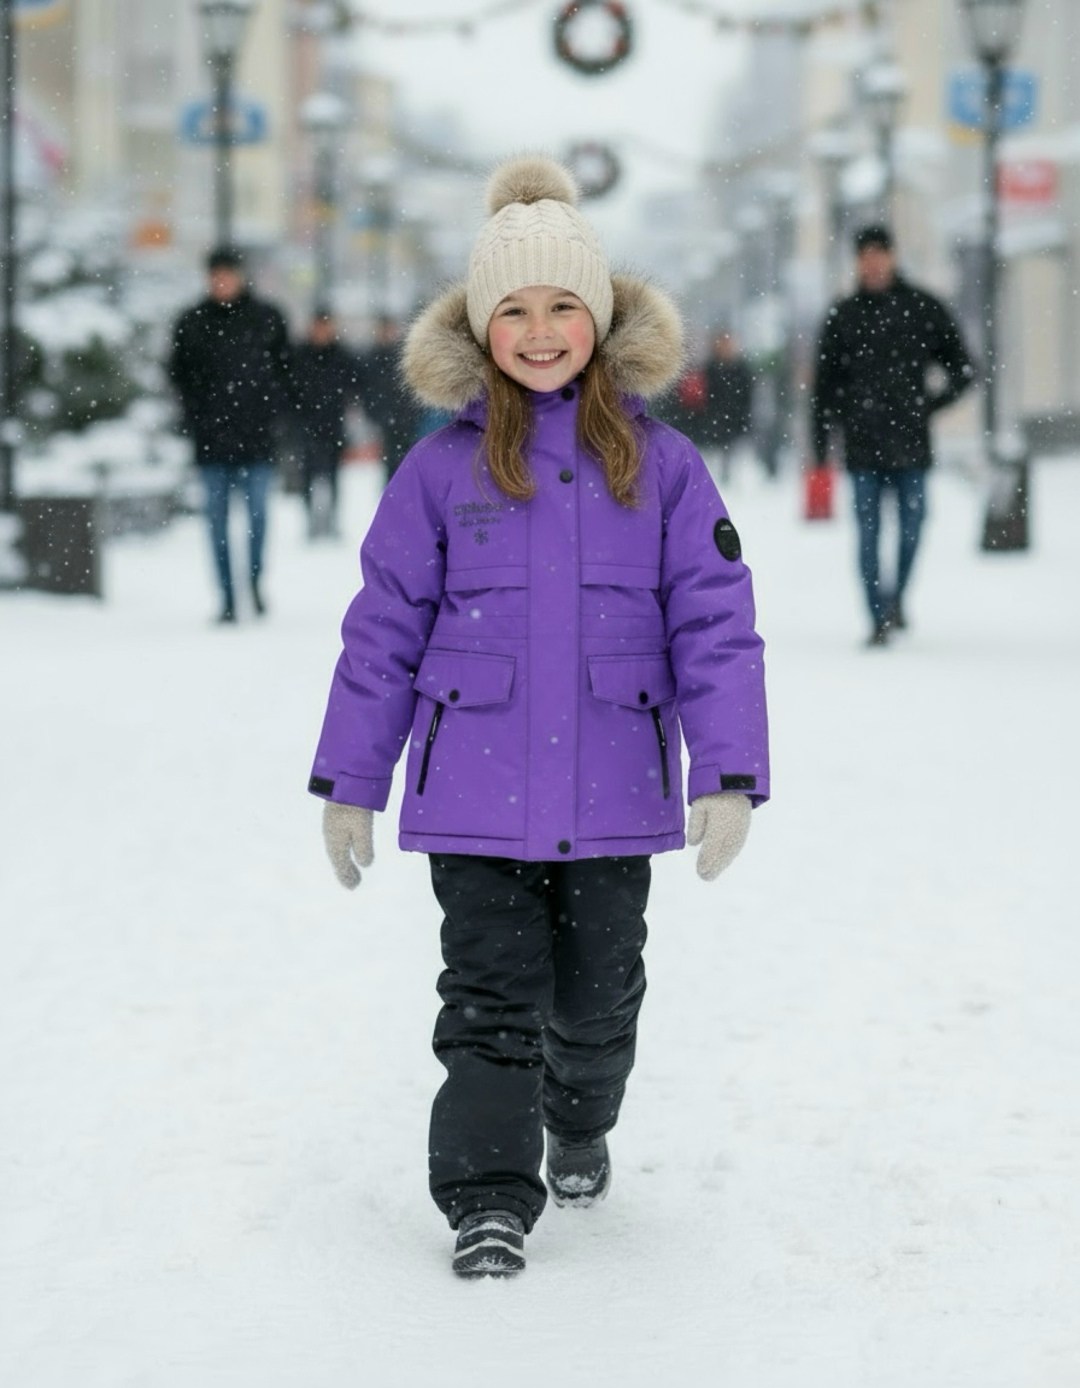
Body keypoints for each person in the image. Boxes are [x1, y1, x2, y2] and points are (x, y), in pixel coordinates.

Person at [307, 156, 770, 1279]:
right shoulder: (437, 468)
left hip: (614, 790)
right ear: (480, 324)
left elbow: (715, 621)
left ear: (601, 318)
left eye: (565, 304)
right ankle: (486, 1194)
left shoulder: (659, 464)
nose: (542, 328)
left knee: (600, 993)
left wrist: (730, 768)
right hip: (475, 791)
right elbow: (383, 629)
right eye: (513, 308)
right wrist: (350, 779)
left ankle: (582, 1114)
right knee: (488, 999)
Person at [810, 224, 975, 645]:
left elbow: (963, 367)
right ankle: (877, 615)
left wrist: (930, 405)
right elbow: (823, 388)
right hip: (862, 446)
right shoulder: (843, 316)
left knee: (913, 527)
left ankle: (896, 597)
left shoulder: (922, 308)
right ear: (857, 261)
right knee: (867, 533)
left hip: (912, 444)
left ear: (893, 256)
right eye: (865, 254)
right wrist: (821, 443)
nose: (873, 262)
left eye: (880, 253)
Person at [168, 246, 291, 622]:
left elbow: (286, 373)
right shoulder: (191, 322)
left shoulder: (267, 319)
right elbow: (179, 376)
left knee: (257, 519)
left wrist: (273, 414)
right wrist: (197, 417)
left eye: (228, 274)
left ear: (240, 276)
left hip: (257, 439)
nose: (222, 282)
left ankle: (253, 581)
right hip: (211, 443)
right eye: (215, 275)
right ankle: (225, 595)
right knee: (216, 523)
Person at [288, 308, 363, 539]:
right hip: (306, 423)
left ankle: (332, 519)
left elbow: (357, 383)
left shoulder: (341, 355)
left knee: (333, 474)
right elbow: (289, 389)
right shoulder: (299, 355)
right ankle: (311, 518)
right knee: (308, 474)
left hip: (333, 424)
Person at [356, 314, 420, 485]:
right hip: (386, 419)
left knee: (408, 461)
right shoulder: (371, 358)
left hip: (405, 418)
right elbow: (367, 390)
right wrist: (375, 413)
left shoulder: (404, 356)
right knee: (390, 462)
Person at [700, 330, 755, 485]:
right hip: (714, 418)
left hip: (733, 417)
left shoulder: (741, 369)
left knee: (731, 450)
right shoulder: (710, 368)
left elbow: (747, 395)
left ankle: (728, 478)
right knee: (714, 452)